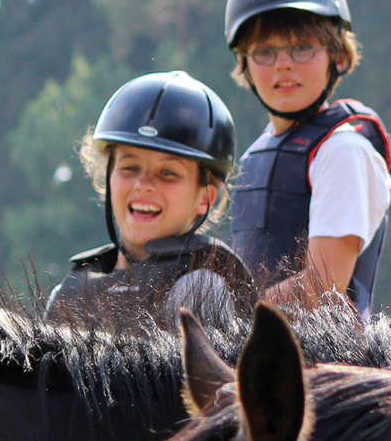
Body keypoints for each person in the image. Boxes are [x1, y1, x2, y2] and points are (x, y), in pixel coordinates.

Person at [224, 0, 391, 317]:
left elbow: (322, 287)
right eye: (265, 52)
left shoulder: (343, 152)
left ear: (338, 57)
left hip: (328, 365)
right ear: (247, 67)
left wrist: (228, 315)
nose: (283, 64)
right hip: (256, 349)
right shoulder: (255, 154)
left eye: (301, 48)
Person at [47, 71, 254, 325]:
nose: (143, 185)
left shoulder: (200, 290)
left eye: (168, 173)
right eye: (129, 168)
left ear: (205, 198)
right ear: (108, 180)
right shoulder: (68, 293)